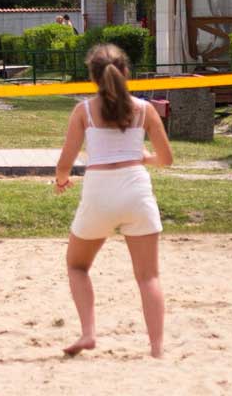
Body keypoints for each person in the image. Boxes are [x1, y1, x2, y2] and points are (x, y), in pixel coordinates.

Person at [53, 42, 175, 358]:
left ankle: (89, 333)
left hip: (99, 191)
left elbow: (65, 161)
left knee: (77, 265)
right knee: (148, 276)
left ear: (93, 77)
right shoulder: (144, 109)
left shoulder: (83, 111)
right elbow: (166, 158)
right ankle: (157, 348)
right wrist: (142, 158)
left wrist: (62, 179)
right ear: (126, 72)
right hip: (136, 189)